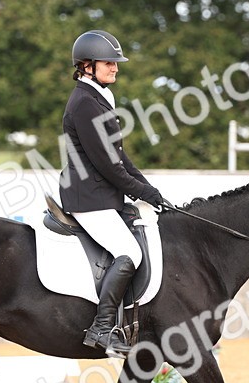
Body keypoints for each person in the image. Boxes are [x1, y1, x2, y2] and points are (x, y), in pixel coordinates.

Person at [58, 30, 168, 357]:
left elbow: (121, 158)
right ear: (87, 65)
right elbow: (109, 167)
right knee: (129, 253)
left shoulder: (98, 98)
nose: (116, 68)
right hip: (88, 199)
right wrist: (143, 192)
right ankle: (102, 328)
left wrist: (150, 190)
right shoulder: (84, 104)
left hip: (101, 196)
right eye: (110, 63)